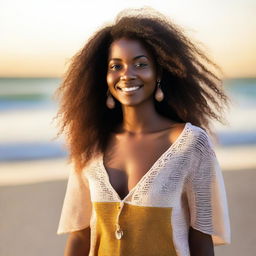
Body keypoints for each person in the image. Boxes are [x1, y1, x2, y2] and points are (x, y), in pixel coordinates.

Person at [55, 7, 231, 256]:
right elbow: (81, 235)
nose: (127, 74)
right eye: (116, 66)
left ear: (158, 72)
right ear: (104, 76)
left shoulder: (191, 144)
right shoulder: (92, 145)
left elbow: (201, 240)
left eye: (140, 64)